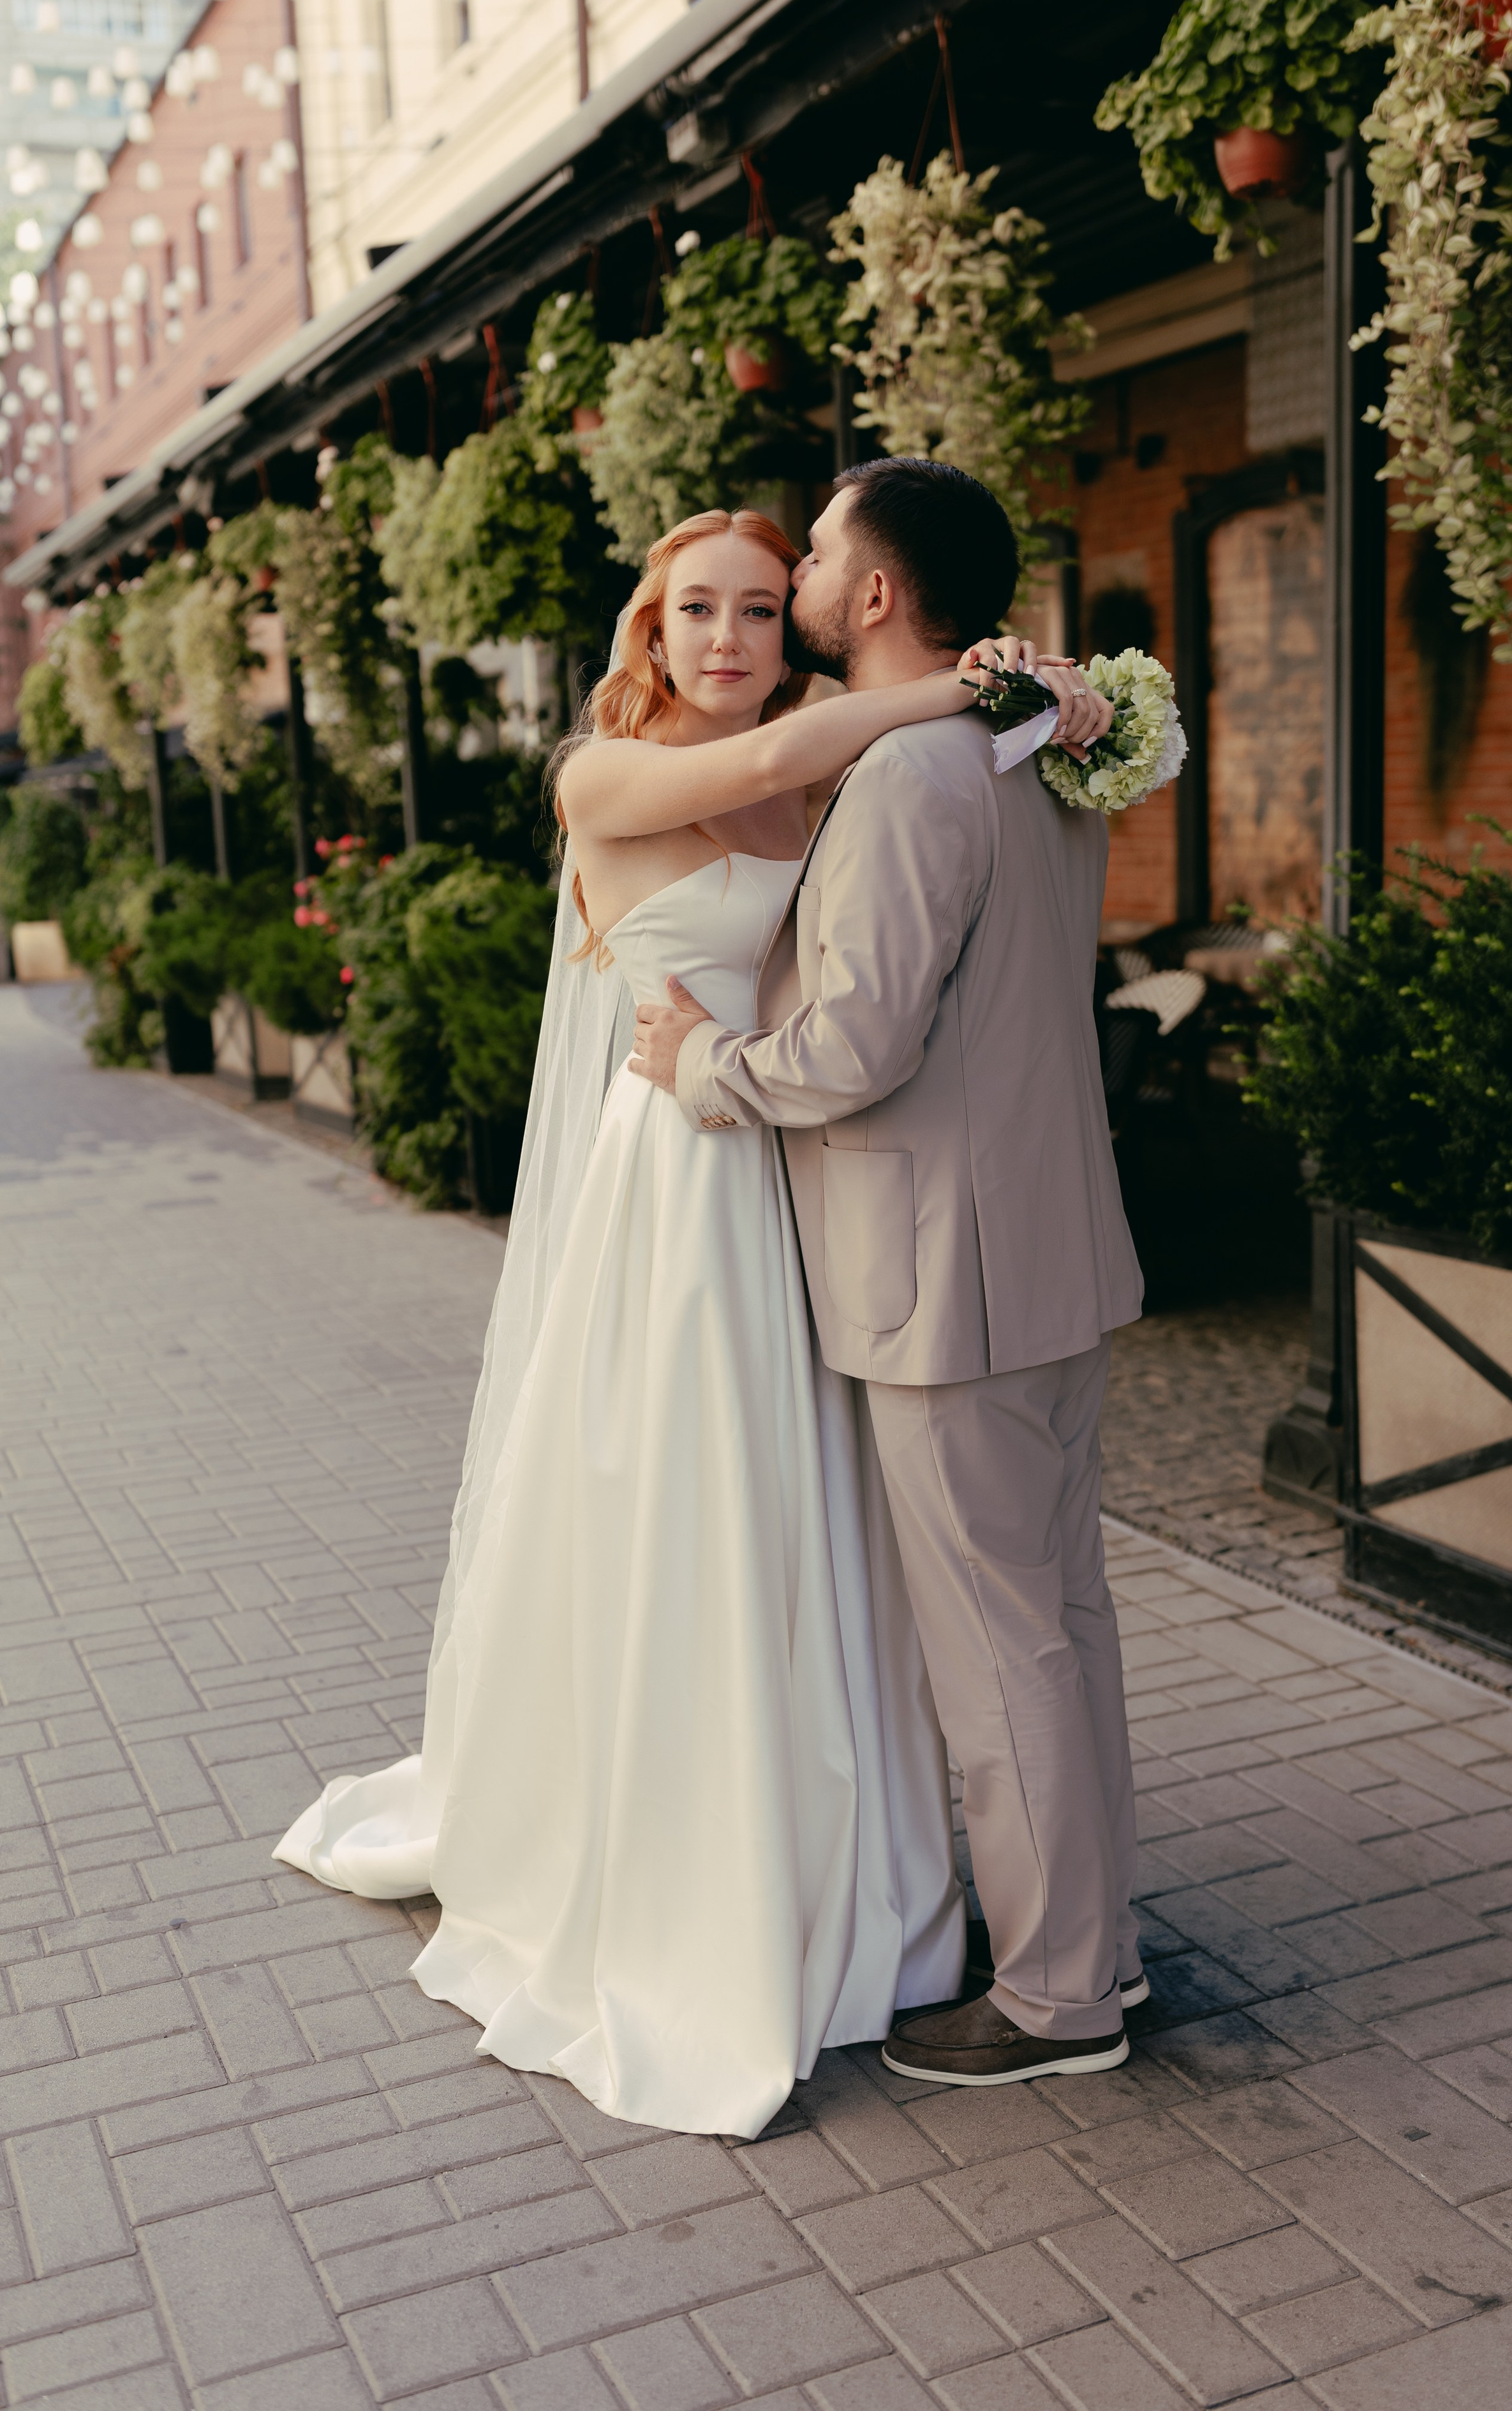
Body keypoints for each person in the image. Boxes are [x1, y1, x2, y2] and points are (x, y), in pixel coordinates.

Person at [275, 505, 1104, 2139]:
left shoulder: (851, 767)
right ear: (647, 634)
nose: (729, 635)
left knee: (831, 1536)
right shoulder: (610, 773)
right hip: (680, 1178)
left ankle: (866, 1872)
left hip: (811, 1186)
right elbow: (775, 765)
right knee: (701, 1515)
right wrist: (979, 687)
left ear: (809, 619)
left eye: (759, 607)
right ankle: (699, 1867)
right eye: (696, 611)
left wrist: (1020, 693)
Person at [632, 459, 1148, 2088]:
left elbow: (852, 1047)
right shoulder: (1034, 740)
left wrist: (705, 1064)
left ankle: (1053, 2000)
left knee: (1000, 1647)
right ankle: (1094, 1949)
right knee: (1060, 1619)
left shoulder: (918, 770)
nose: (790, 580)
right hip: (1048, 1252)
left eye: (812, 552)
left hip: (948, 1283)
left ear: (868, 593)